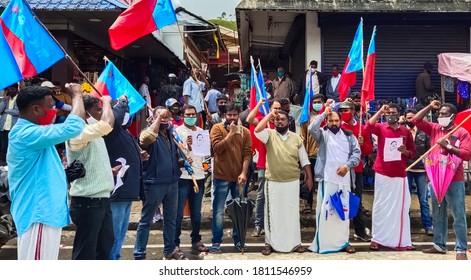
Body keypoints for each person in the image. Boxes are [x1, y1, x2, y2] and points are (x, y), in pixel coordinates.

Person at [8, 84, 85, 260]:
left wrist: (64, 175)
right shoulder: (26, 134)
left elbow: (41, 170)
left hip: (45, 212)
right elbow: (73, 127)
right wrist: (77, 96)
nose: (55, 111)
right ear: (36, 109)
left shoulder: (36, 134)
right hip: (39, 213)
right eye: (51, 107)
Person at [413, 100, 471, 260]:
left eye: (444, 114)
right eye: (439, 114)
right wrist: (430, 107)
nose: (440, 116)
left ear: (452, 116)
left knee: (458, 214)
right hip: (435, 177)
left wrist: (449, 146)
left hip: (454, 179)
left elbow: (467, 154)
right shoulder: (434, 128)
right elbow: (416, 120)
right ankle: (439, 244)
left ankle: (461, 249)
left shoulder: (462, 132)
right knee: (438, 213)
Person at [255, 104, 312, 255]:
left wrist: (309, 178)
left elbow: (304, 160)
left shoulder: (296, 138)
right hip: (273, 181)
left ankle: (295, 243)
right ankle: (269, 243)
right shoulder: (269, 134)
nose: (280, 121)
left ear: (288, 121)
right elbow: (257, 130)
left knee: (292, 214)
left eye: (282, 119)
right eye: (277, 119)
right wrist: (270, 115)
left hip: (292, 181)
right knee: (272, 213)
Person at [66, 94, 115, 260]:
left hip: (102, 200)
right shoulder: (78, 133)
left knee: (104, 246)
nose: (102, 112)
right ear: (87, 113)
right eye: (98, 109)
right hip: (88, 202)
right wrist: (107, 101)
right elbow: (108, 124)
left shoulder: (92, 130)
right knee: (85, 253)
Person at [134, 107, 186, 260]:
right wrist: (157, 119)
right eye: (160, 116)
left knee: (171, 219)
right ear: (153, 117)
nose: (164, 119)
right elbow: (145, 139)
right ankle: (139, 254)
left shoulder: (171, 133)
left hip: (172, 182)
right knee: (146, 220)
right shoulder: (148, 132)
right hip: (154, 183)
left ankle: (169, 250)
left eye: (166, 116)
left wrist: (179, 162)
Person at [308, 106, 361, 254]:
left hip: (344, 181)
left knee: (342, 213)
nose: (334, 123)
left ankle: (344, 242)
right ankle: (324, 244)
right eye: (331, 120)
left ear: (341, 121)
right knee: (326, 213)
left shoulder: (349, 136)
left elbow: (357, 154)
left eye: (337, 120)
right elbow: (312, 127)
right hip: (327, 179)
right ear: (327, 121)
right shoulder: (323, 135)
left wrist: (347, 166)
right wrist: (324, 111)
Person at [365, 103, 416, 251]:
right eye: (388, 113)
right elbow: (368, 127)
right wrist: (380, 111)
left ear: (398, 113)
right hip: (382, 173)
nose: (391, 115)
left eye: (393, 112)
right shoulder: (381, 128)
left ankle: (402, 240)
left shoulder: (405, 131)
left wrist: (405, 151)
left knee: (400, 208)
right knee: (380, 206)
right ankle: (377, 238)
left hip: (400, 174)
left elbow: (412, 153)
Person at [103, 95, 146, 260]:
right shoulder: (111, 129)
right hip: (118, 189)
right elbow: (119, 115)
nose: (128, 116)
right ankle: (111, 259)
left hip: (128, 189)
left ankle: (116, 256)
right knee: (114, 230)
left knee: (121, 229)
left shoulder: (124, 131)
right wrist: (122, 101)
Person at [209, 102, 252, 254]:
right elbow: (217, 149)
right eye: (229, 115)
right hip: (221, 177)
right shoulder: (217, 128)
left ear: (238, 115)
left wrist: (244, 173)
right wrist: (231, 133)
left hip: (239, 178)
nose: (232, 118)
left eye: (235, 115)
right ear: (224, 115)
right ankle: (216, 242)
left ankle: (239, 240)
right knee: (219, 211)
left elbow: (247, 153)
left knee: (239, 210)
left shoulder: (245, 132)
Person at [174, 105, 209, 253]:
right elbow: (177, 153)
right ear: (183, 115)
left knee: (196, 213)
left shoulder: (202, 133)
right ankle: (175, 242)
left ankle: (196, 239)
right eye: (188, 114)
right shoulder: (177, 132)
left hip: (199, 176)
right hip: (183, 176)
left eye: (193, 114)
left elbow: (206, 156)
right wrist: (188, 146)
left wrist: (207, 171)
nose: (191, 116)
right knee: (179, 213)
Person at [246, 98, 281, 237]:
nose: (277, 111)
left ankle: (273, 225)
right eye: (274, 108)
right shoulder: (263, 121)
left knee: (275, 195)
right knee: (261, 195)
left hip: (278, 164)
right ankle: (258, 224)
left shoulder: (282, 122)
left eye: (279, 108)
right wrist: (260, 105)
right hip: (263, 164)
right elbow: (249, 119)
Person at [339, 101, 373, 241]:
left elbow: (368, 151)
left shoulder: (361, 129)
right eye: (341, 110)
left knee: (356, 200)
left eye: (346, 110)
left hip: (356, 169)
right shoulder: (337, 126)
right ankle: (339, 233)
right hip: (339, 169)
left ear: (353, 111)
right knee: (339, 200)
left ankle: (359, 231)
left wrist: (362, 143)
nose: (343, 112)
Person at [401, 108, 433, 236]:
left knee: (424, 200)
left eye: (413, 117)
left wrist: (429, 172)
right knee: (405, 199)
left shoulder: (425, 132)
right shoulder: (402, 132)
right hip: (406, 169)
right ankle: (405, 225)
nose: (411, 120)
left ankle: (428, 225)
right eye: (408, 117)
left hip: (421, 170)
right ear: (404, 118)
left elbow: (430, 153)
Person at [0, 84, 19, 164]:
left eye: (12, 89)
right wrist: (4, 101)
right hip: (3, 127)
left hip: (13, 127)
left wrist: (6, 110)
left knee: (13, 147)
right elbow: (0, 110)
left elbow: (18, 112)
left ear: (16, 89)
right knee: (4, 147)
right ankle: (4, 162)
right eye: (9, 89)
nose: (11, 91)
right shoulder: (5, 99)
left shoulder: (19, 99)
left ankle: (12, 163)